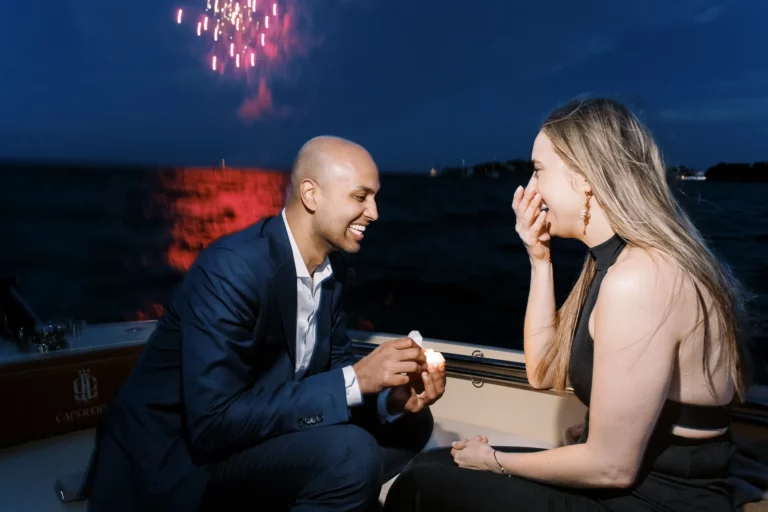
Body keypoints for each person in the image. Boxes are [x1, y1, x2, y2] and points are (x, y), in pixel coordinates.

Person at [384, 98, 749, 511]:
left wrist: (494, 460)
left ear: (584, 176)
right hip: (642, 480)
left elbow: (612, 467)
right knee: (433, 464)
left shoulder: (639, 277)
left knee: (418, 485)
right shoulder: (611, 263)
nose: (530, 189)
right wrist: (540, 259)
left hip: (663, 498)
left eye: (538, 170)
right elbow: (541, 371)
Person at [83, 135, 446, 512]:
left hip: (256, 431)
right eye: (360, 197)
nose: (374, 212)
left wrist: (392, 400)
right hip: (182, 461)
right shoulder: (232, 269)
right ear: (311, 195)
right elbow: (212, 423)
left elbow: (334, 370)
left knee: (411, 422)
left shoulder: (330, 272)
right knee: (351, 455)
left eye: (374, 197)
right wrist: (356, 379)